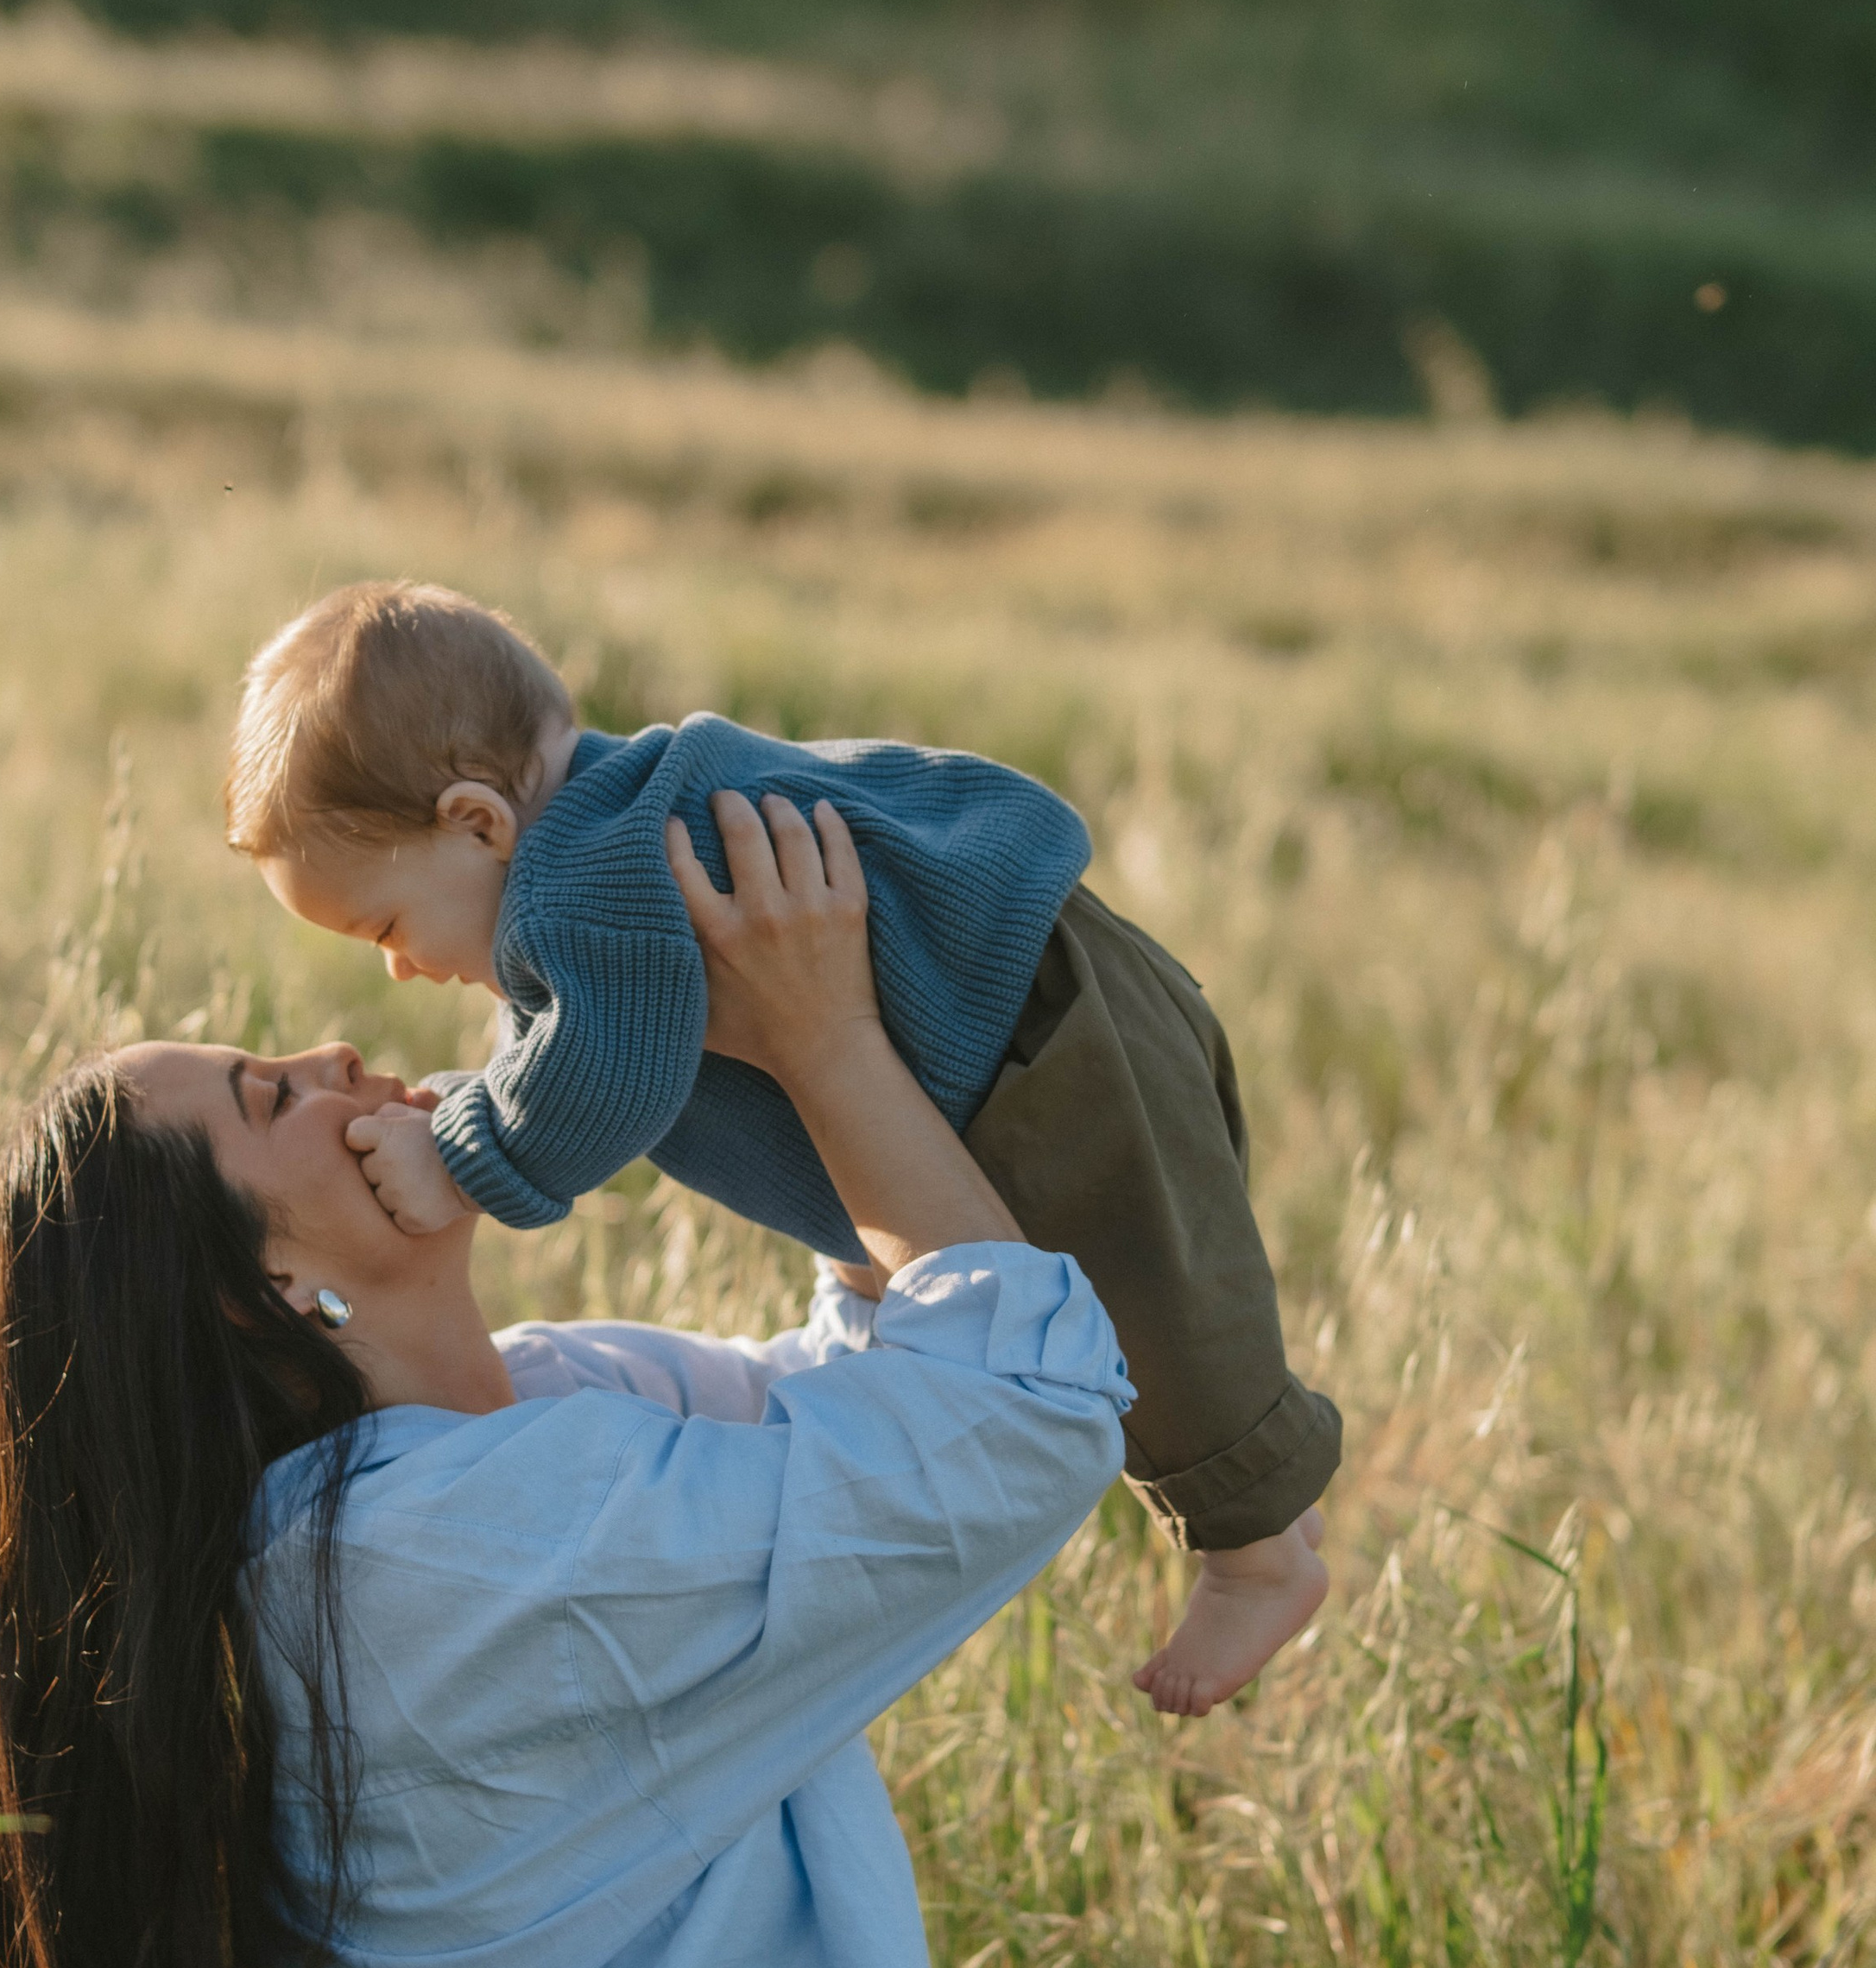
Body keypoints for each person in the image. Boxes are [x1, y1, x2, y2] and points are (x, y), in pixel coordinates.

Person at [0, 797, 1864, 1968]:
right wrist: (825, 1048)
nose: (326, 1052)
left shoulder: (515, 1431)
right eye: (263, 1098)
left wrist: (772, 1050)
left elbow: (880, 1380)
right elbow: (1002, 1424)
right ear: (265, 1296)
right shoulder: (451, 1556)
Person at [224, 577, 1334, 1718]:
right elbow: (560, 1045)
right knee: (1140, 1295)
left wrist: (462, 1158)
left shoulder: (579, 888)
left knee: (1153, 1294)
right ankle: (1269, 1508)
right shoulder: (606, 838)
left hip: (1040, 1036)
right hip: (1028, 1021)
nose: (398, 970)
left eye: (386, 929)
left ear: (478, 822)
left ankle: (1259, 1555)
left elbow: (598, 1078)